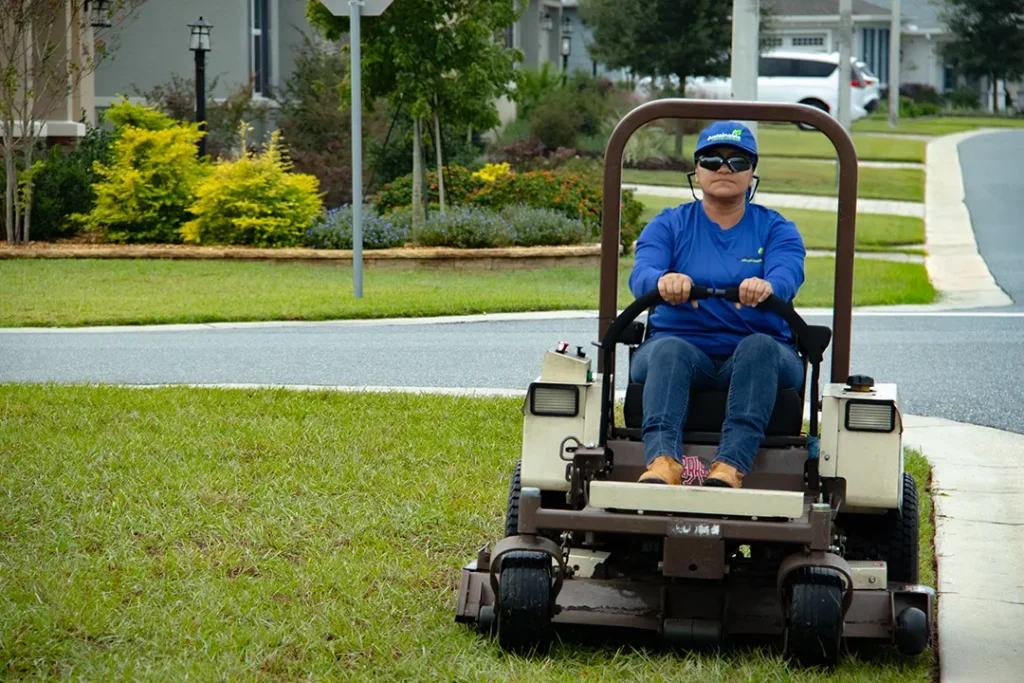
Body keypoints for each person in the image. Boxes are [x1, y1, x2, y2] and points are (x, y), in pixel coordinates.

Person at [628, 121, 806, 489]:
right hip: (680, 348)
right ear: (697, 169)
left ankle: (730, 466)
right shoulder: (670, 224)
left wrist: (767, 287)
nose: (724, 168)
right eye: (712, 159)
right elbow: (642, 272)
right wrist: (662, 281)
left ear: (752, 171)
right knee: (669, 349)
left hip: (762, 350)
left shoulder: (777, 229)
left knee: (758, 347)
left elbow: (788, 275)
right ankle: (662, 462)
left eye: (738, 161)